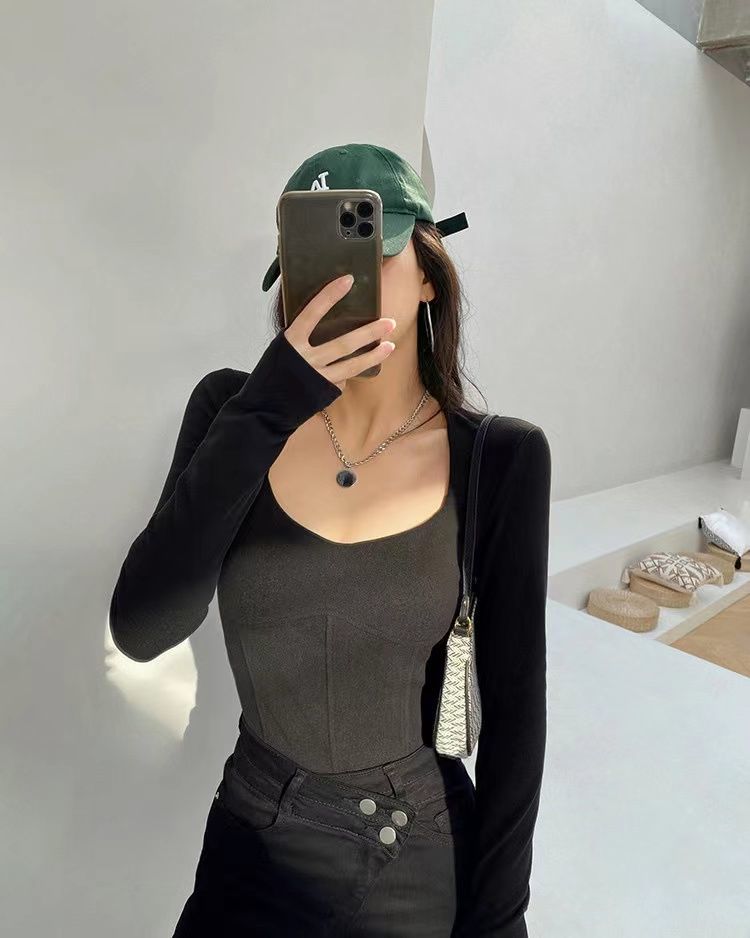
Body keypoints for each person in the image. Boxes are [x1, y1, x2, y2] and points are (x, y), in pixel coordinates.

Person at [108, 143, 552, 937]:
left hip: (410, 855)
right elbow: (143, 628)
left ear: (429, 273)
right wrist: (269, 406)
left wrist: (498, 920)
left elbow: (517, 722)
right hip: (251, 833)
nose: (340, 287)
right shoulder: (232, 413)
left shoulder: (501, 457)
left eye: (371, 253)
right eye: (315, 266)